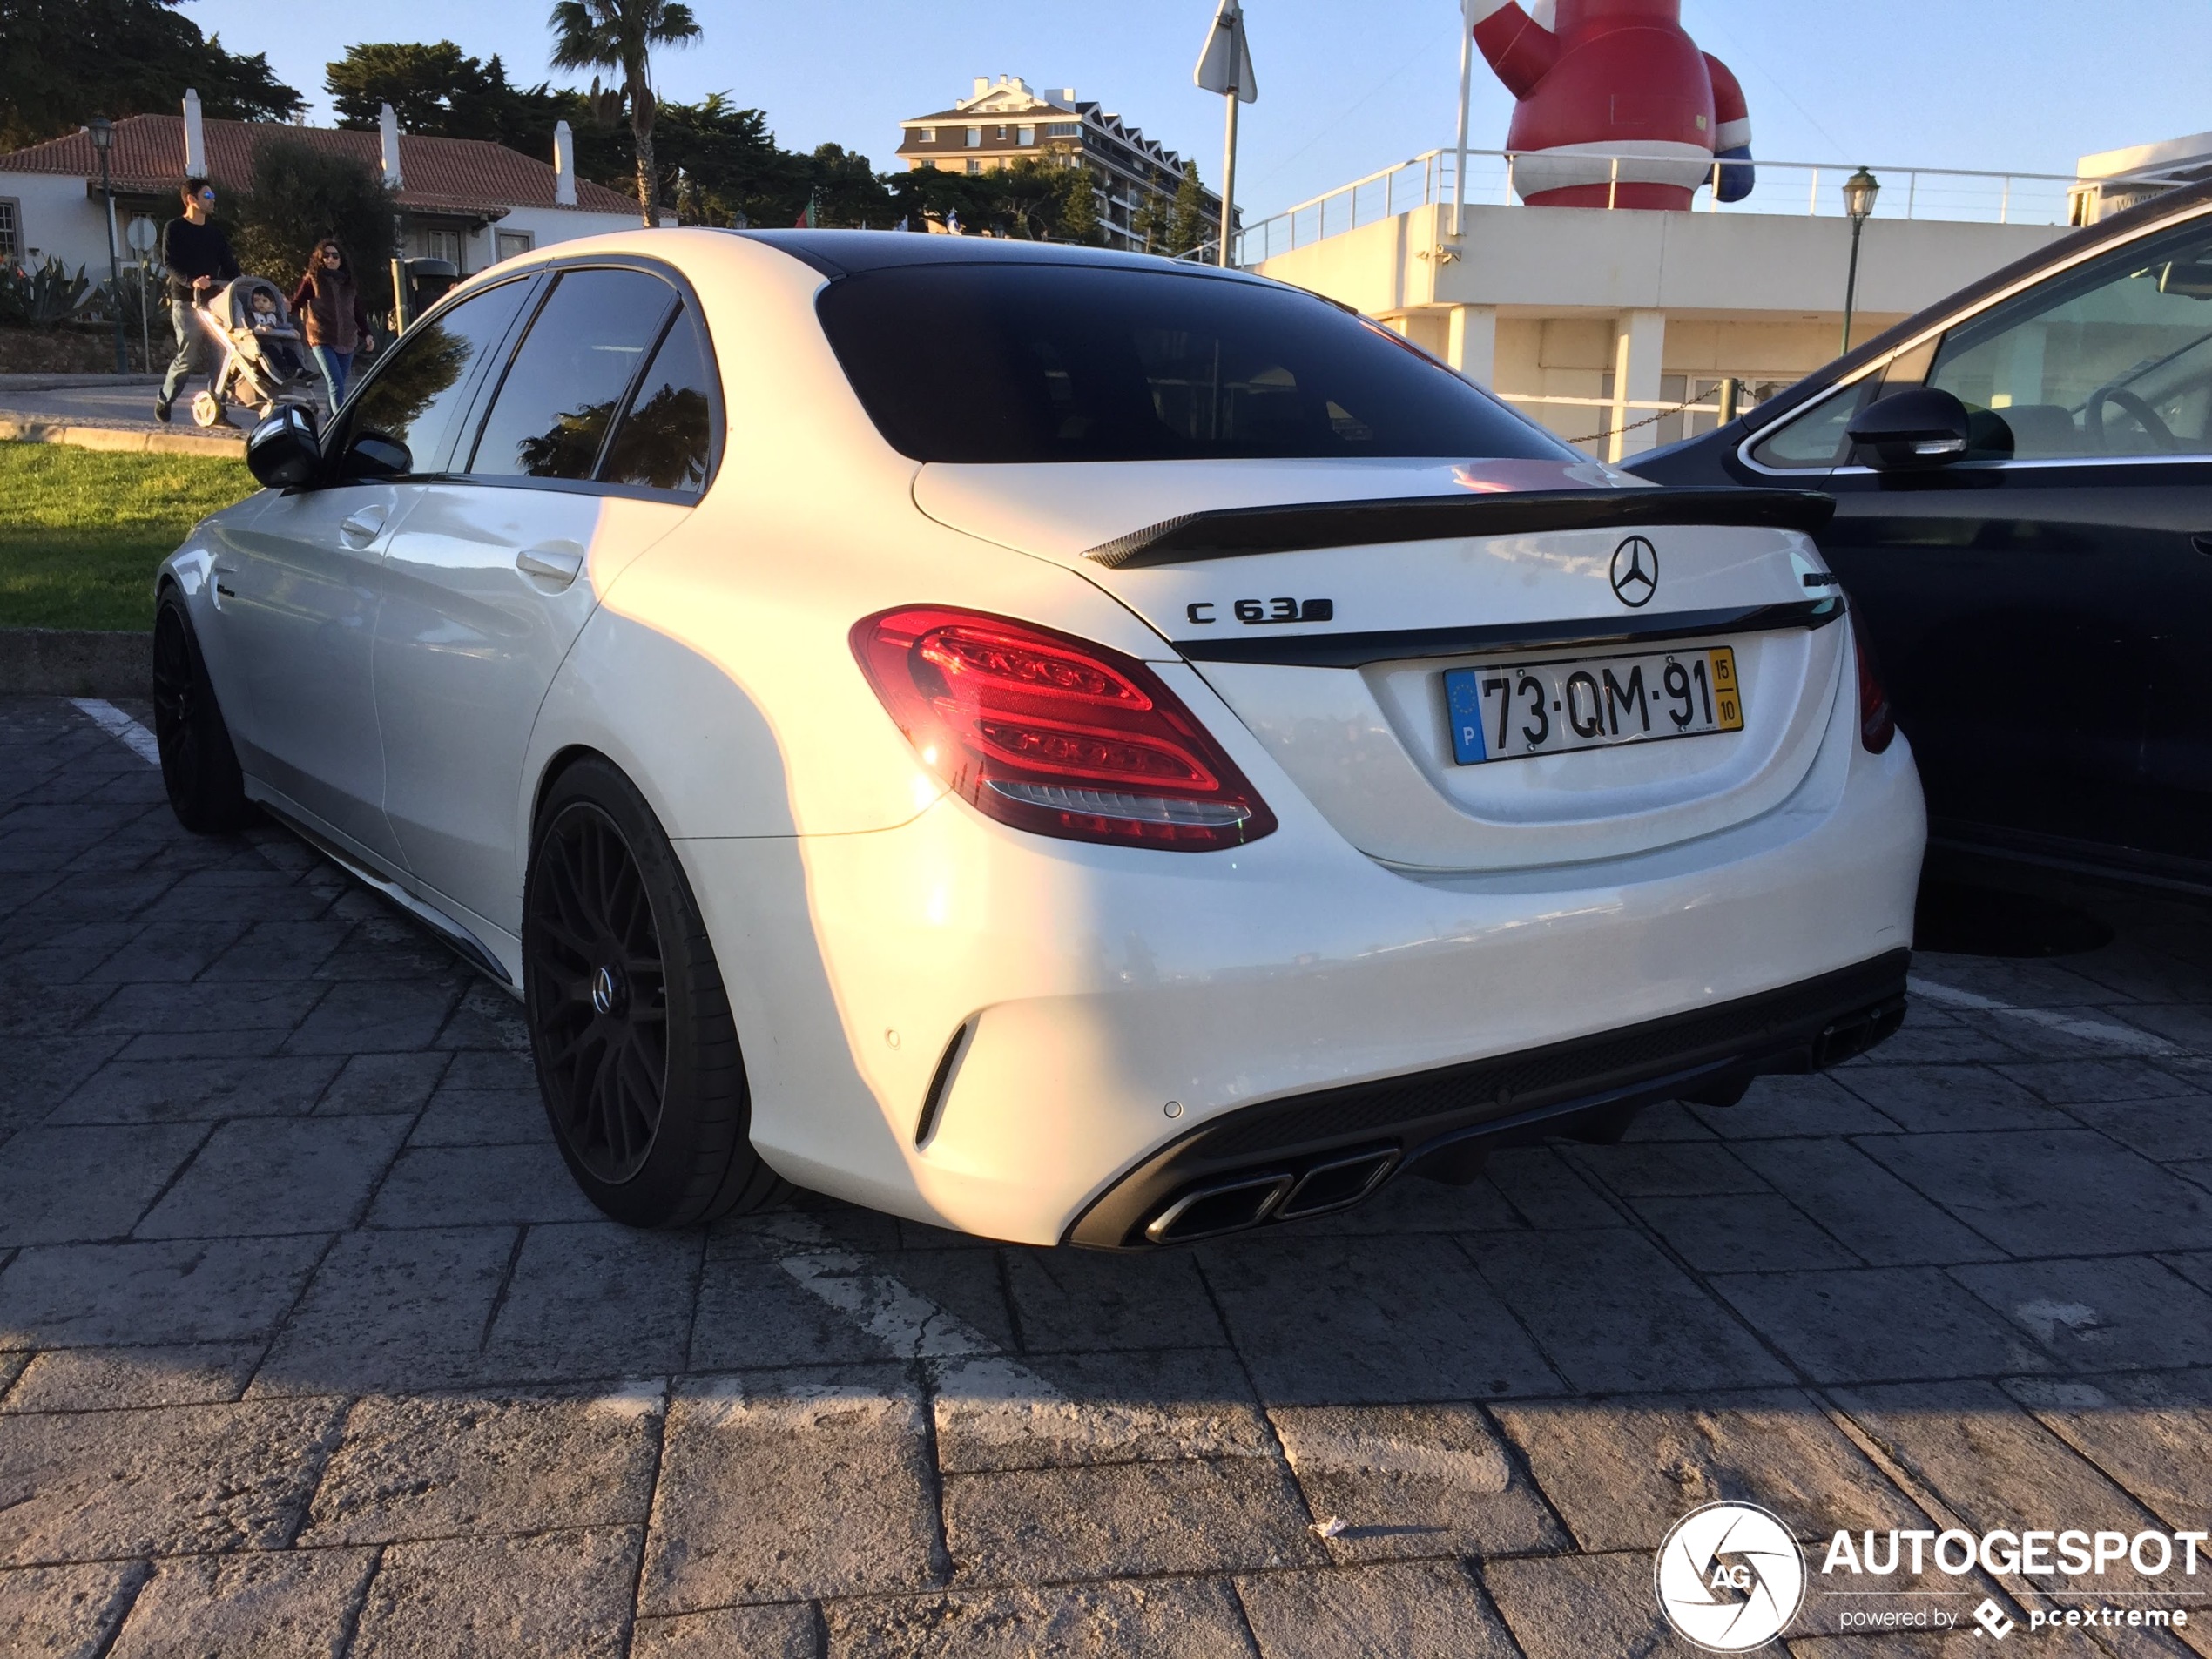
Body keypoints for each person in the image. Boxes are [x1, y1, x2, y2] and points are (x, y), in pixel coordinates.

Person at [155, 179, 239, 424]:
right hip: (186, 303)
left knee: (221, 357)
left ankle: (217, 412)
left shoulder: (215, 234)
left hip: (215, 305)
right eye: (207, 195)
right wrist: (191, 281)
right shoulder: (174, 228)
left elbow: (230, 265)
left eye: (212, 194)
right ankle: (165, 398)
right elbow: (170, 263)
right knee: (188, 357)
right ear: (191, 199)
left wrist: (244, 285)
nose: (213, 199)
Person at [289, 239, 376, 411]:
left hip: (347, 340)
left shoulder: (349, 283)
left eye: (335, 256)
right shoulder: (312, 280)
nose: (330, 259)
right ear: (319, 259)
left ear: (341, 259)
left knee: (338, 387)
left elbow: (357, 312)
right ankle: (341, 426)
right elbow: (296, 304)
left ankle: (331, 426)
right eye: (326, 256)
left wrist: (367, 334)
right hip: (322, 338)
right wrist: (283, 307)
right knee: (335, 384)